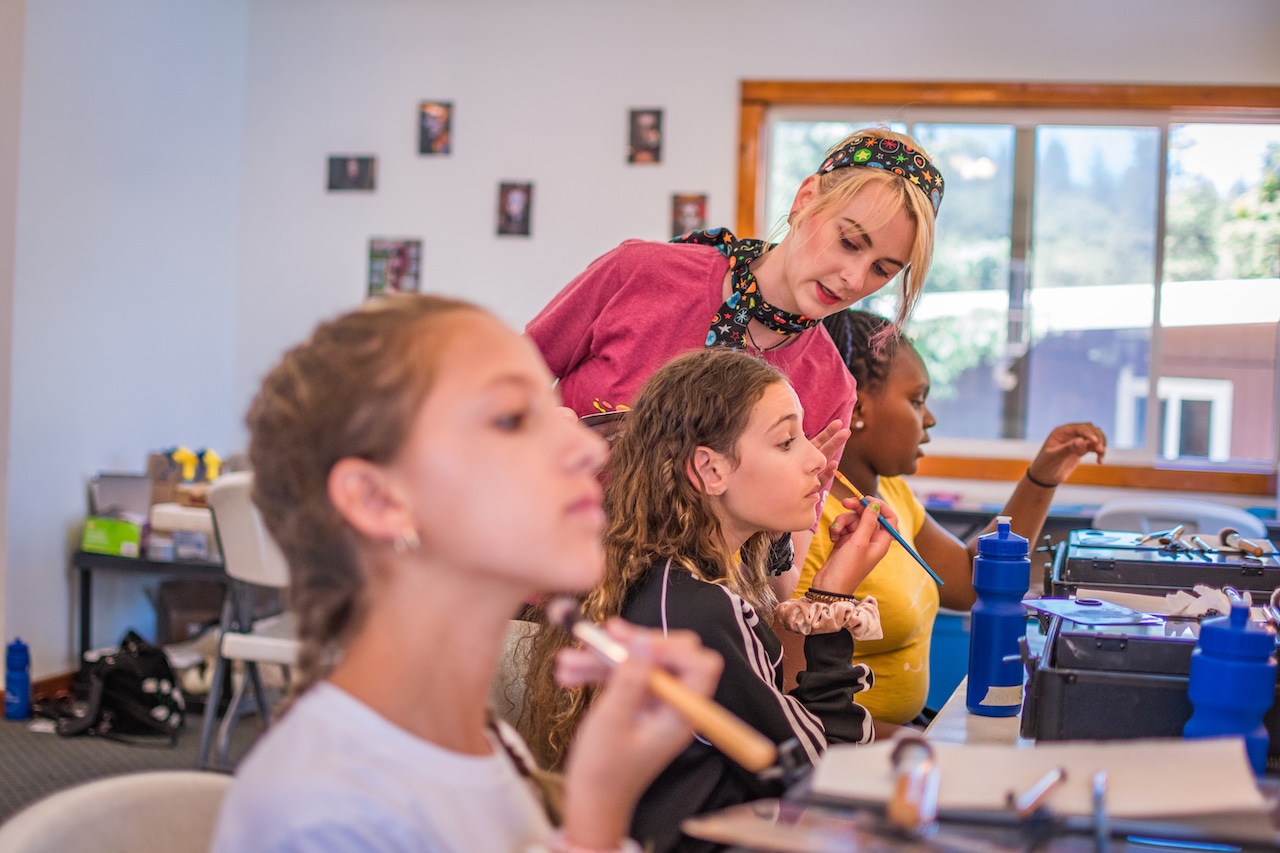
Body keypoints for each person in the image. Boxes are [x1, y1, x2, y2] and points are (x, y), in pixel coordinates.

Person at [211, 294, 724, 853]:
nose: (586, 446)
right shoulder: (327, 814)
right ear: (380, 499)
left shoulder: (488, 745)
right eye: (510, 418)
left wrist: (601, 801)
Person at [526, 128, 945, 593]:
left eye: (882, 270)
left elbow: (776, 587)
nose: (853, 278)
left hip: (674, 635)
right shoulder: (640, 273)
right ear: (806, 199)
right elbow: (495, 393)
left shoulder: (830, 388)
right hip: (534, 592)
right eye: (849, 242)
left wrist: (806, 535)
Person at [525, 347, 894, 853]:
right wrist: (833, 601)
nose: (816, 460)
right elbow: (824, 774)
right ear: (710, 470)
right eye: (787, 441)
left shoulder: (670, 581)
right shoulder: (700, 609)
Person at [791, 309, 1107, 730]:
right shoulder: (807, 521)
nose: (930, 418)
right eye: (917, 400)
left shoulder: (891, 495)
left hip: (905, 735)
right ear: (858, 405)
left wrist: (1042, 477)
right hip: (856, 751)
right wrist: (926, 745)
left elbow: (966, 577)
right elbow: (793, 707)